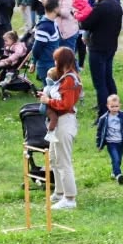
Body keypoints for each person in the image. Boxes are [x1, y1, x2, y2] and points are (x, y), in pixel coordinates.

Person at [41, 46, 83, 211]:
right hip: (59, 122)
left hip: (65, 122)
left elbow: (65, 104)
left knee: (64, 161)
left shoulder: (70, 80)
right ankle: (59, 192)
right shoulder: (65, 78)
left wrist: (47, 102)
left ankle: (70, 198)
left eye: (56, 59)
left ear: (62, 61)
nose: (54, 62)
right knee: (54, 158)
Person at [95, 93, 123, 185]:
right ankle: (118, 175)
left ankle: (113, 172)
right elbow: (99, 132)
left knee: (118, 159)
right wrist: (99, 144)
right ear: (108, 106)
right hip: (111, 143)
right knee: (115, 158)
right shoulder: (103, 118)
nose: (114, 108)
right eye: (112, 106)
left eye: (116, 106)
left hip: (120, 142)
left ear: (120, 106)